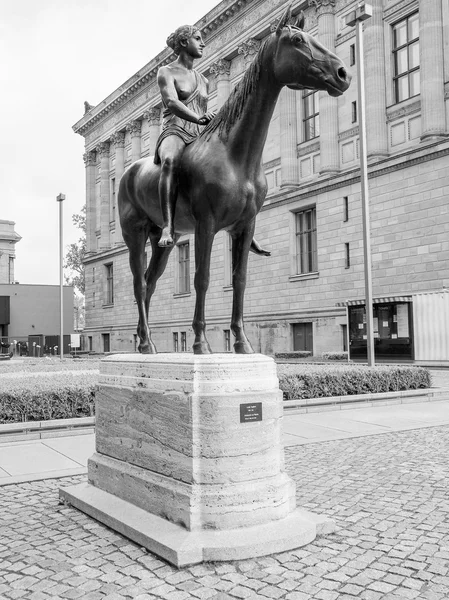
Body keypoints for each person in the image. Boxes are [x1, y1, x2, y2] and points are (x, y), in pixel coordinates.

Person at [154, 25, 270, 256]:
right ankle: (168, 226)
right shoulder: (165, 71)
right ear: (184, 42)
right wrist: (198, 118)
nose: (203, 43)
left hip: (198, 136)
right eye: (197, 38)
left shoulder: (203, 80)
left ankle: (242, 222)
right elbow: (172, 103)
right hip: (175, 131)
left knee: (225, 172)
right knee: (170, 162)